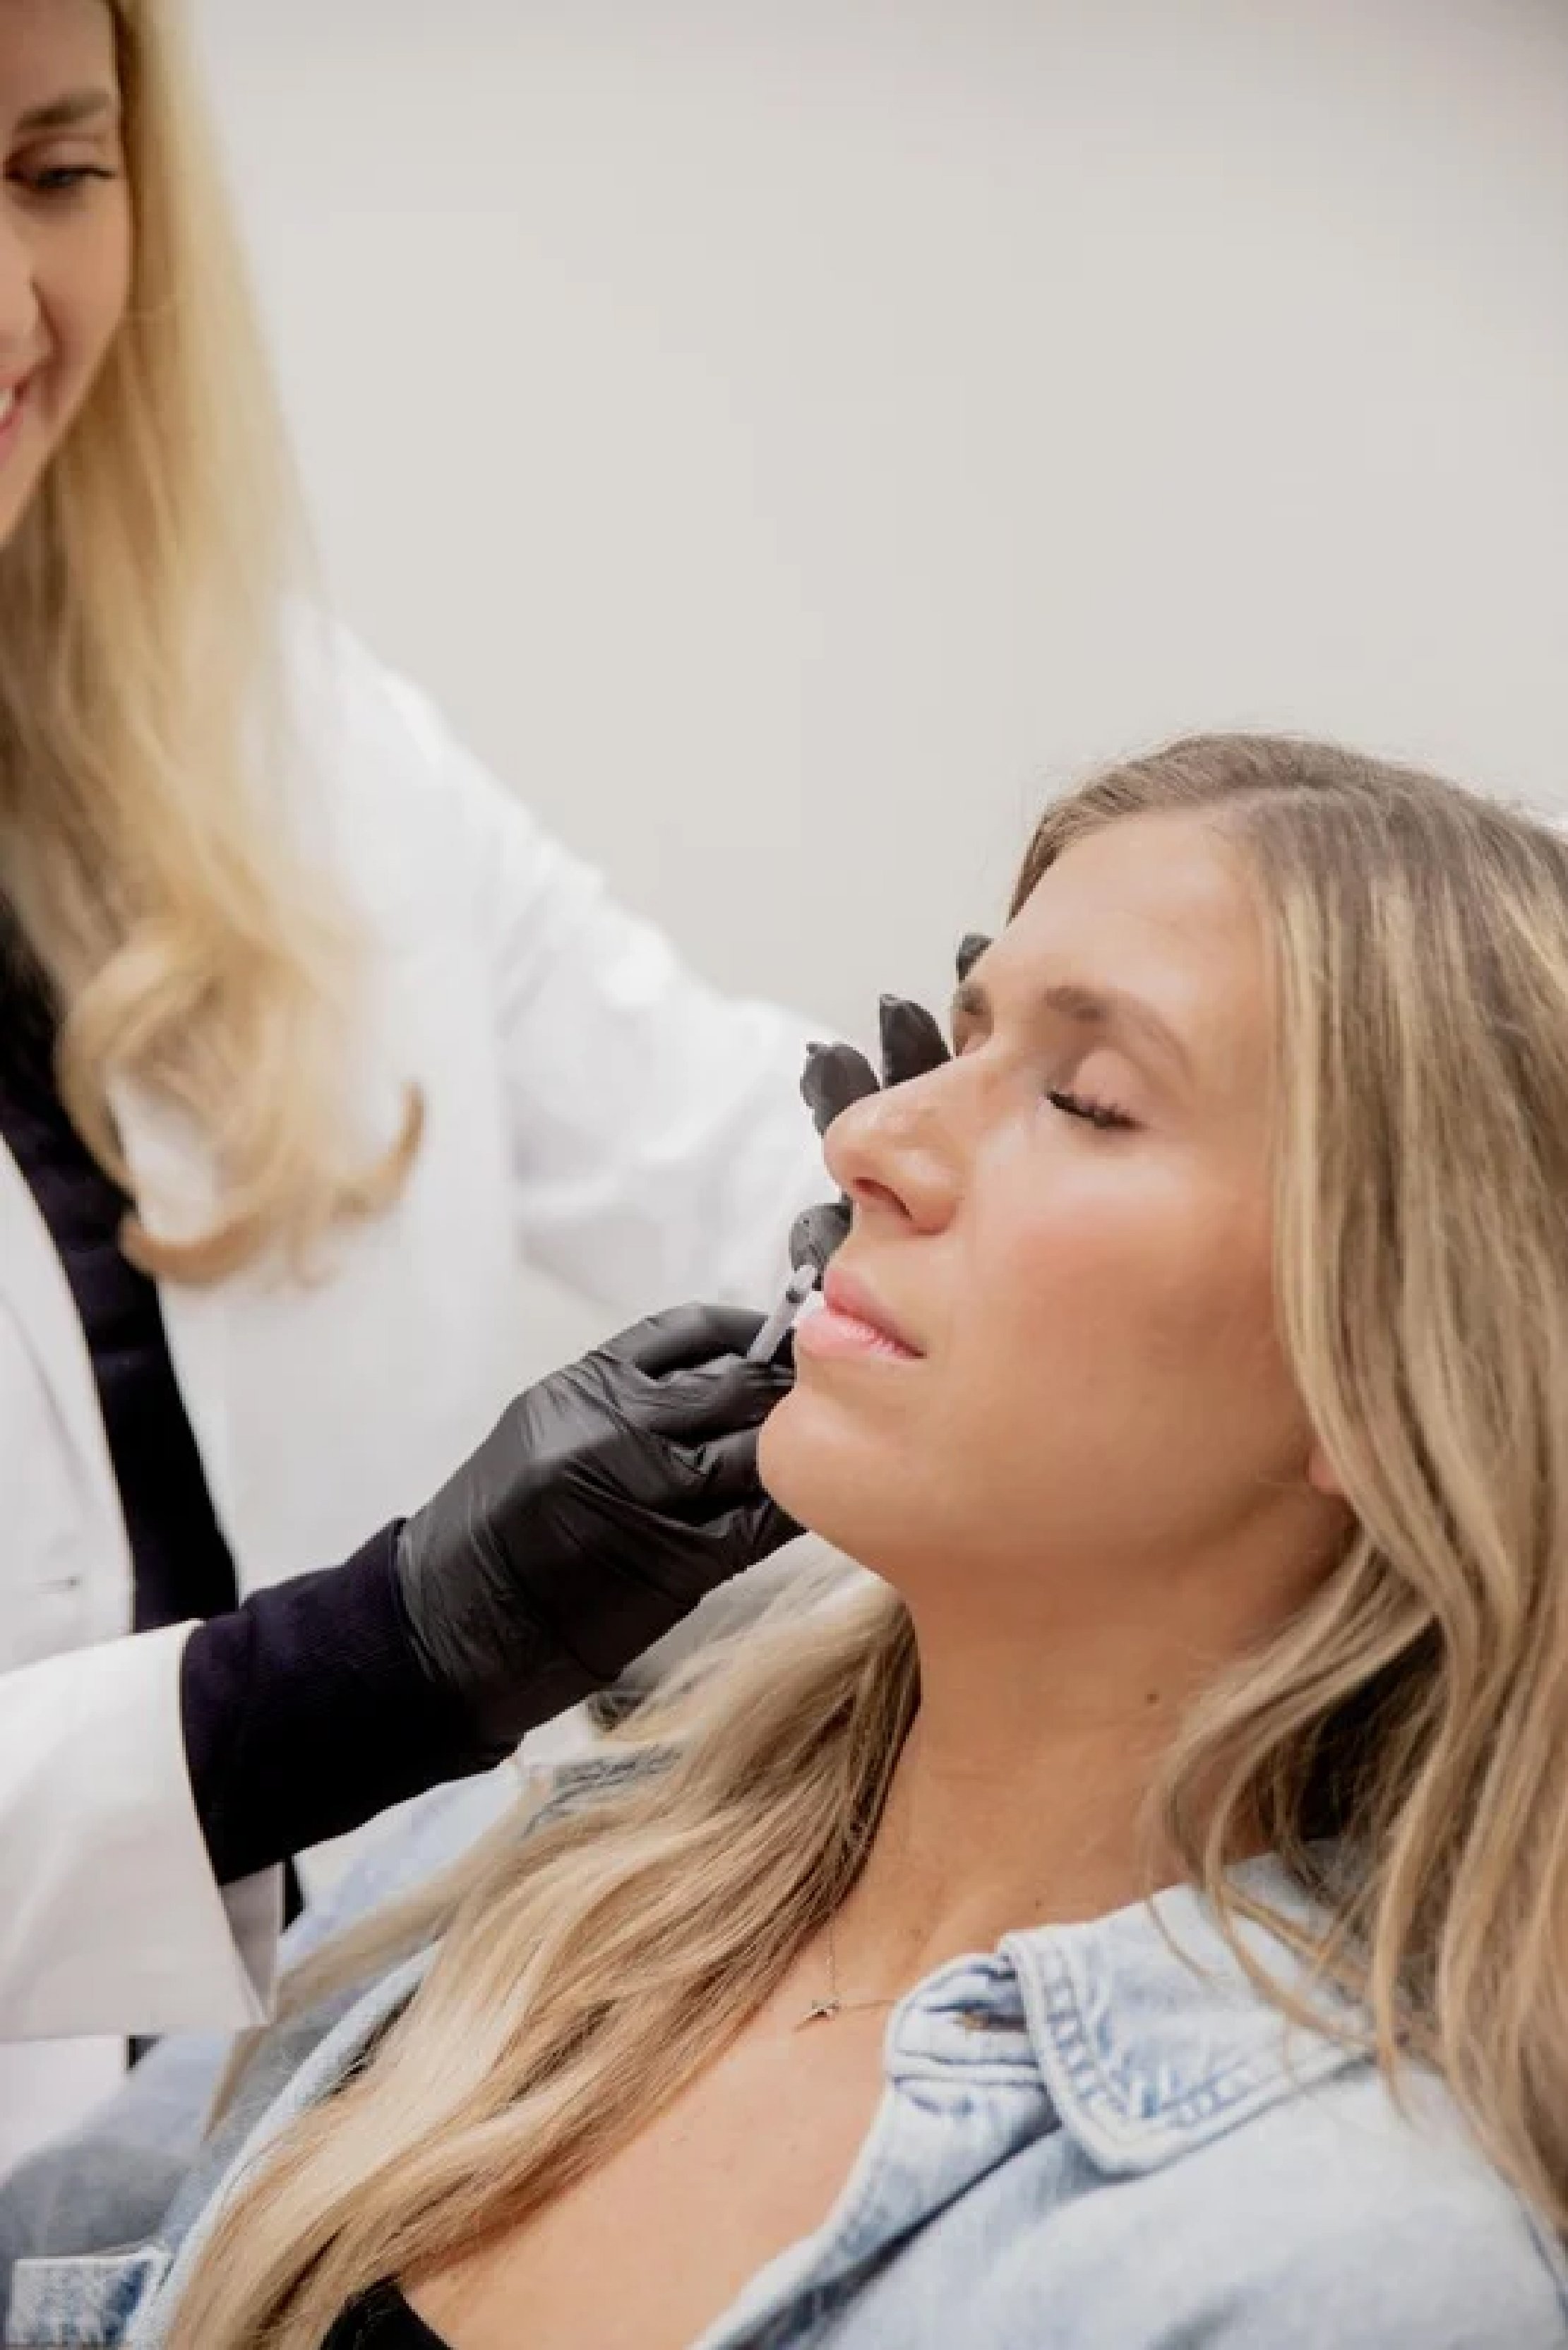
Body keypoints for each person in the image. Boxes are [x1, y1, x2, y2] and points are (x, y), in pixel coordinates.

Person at [28, 731, 1568, 2350]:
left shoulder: (1344, 2273)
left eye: (1087, 1100)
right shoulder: (538, 1870)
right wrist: (374, 1653)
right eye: (959, 1037)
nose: (862, 1141)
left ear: (1388, 1380)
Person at [0, 0, 827, 2162]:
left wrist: (968, 1171)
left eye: (55, 177)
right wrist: (373, 1668)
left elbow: (736, 1146)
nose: (10, 309)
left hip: (340, 2138)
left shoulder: (295, 740)